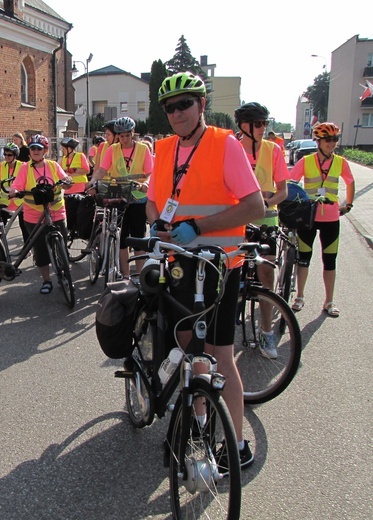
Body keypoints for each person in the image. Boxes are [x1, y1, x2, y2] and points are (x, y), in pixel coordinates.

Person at [147, 72, 265, 470]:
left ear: (201, 105)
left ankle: (235, 443)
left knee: (222, 355)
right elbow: (153, 201)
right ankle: (199, 413)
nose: (177, 113)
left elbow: (254, 207)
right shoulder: (163, 149)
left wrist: (198, 226)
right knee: (189, 346)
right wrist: (156, 223)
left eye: (184, 104)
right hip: (178, 264)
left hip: (219, 267)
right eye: (170, 107)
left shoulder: (224, 144)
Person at [235, 102, 289, 358]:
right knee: (227, 275)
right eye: (258, 124)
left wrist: (263, 203)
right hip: (236, 221)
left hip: (266, 219)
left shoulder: (273, 150)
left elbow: (283, 191)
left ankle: (267, 333)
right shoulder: (232, 149)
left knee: (266, 275)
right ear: (244, 126)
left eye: (265, 123)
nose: (262, 128)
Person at [289, 122, 355, 317]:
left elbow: (350, 182)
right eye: (328, 140)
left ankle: (329, 301)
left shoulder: (341, 162)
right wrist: (295, 205)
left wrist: (348, 204)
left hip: (332, 217)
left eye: (335, 139)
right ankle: (299, 296)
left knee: (330, 261)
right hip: (308, 216)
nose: (332, 143)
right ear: (318, 141)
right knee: (304, 259)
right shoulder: (306, 161)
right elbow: (291, 183)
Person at [89, 116, 154, 278]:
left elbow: (150, 173)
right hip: (119, 196)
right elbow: (103, 169)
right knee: (122, 238)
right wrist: (93, 180)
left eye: (127, 135)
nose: (124, 139)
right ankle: (125, 275)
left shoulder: (143, 149)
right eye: (121, 136)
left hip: (138, 198)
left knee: (138, 238)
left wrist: (146, 183)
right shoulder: (113, 149)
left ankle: (138, 275)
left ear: (133, 133)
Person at [8, 135, 72, 294]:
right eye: (33, 148)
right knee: (40, 249)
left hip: (56, 212)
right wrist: (14, 191)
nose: (36, 151)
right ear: (29, 151)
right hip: (33, 215)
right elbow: (15, 186)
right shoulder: (24, 168)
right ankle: (46, 280)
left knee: (62, 246)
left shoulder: (53, 165)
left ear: (45, 150)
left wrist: (67, 181)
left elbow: (66, 181)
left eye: (39, 148)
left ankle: (65, 275)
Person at [0, 143, 28, 240]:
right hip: (5, 201)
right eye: (5, 154)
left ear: (15, 156)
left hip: (19, 201)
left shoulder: (22, 166)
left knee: (24, 225)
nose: (6, 157)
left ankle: (26, 246)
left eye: (9, 155)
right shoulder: (1, 166)